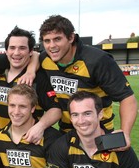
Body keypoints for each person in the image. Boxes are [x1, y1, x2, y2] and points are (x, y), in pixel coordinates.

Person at [39, 15, 137, 150]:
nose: (52, 46)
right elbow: (31, 56)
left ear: (71, 37)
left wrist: (125, 133)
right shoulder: (45, 59)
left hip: (100, 133)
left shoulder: (97, 60)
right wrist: (30, 71)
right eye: (47, 41)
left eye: (57, 39)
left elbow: (127, 98)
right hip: (67, 133)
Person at [0, 26, 61, 144]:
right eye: (12, 48)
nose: (16, 53)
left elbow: (56, 108)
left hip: (28, 144)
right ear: (6, 51)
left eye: (22, 48)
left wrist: (40, 126)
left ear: (31, 51)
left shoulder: (38, 78)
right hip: (0, 142)